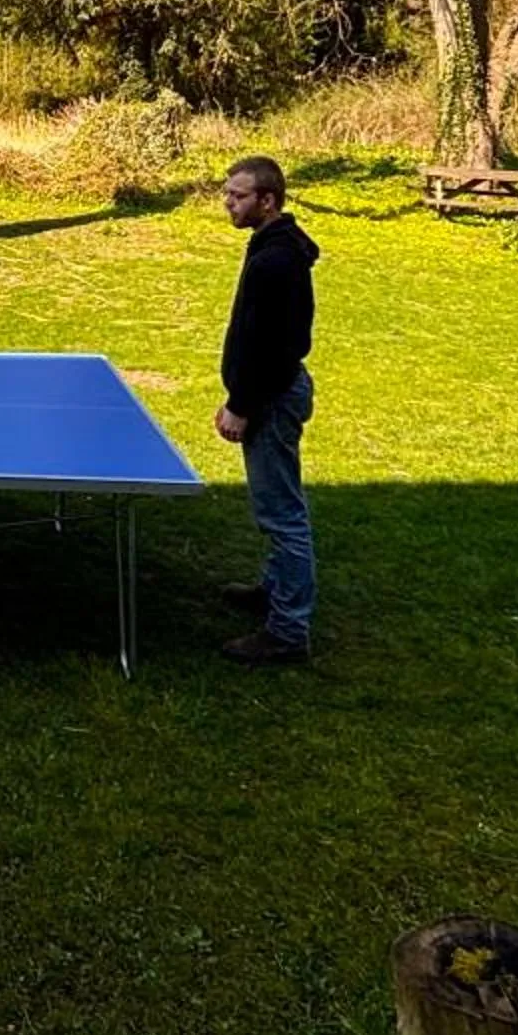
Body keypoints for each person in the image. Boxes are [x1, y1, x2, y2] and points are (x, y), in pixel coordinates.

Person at [214, 154, 317, 666]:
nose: (228, 203)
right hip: (271, 394)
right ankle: (274, 591)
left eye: (237, 195)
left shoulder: (276, 260)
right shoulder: (274, 246)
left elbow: (275, 345)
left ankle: (287, 631)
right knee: (277, 508)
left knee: (282, 516)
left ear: (267, 201)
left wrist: (241, 405)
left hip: (272, 400)